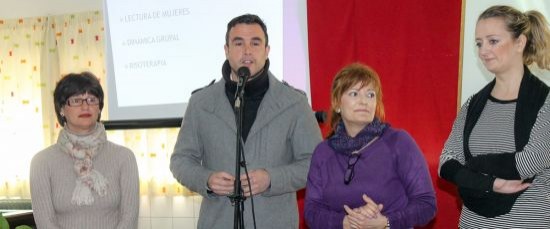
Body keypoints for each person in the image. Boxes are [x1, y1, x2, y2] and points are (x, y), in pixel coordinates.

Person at [169, 14, 322, 229]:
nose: (247, 50)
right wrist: (207, 179)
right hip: (218, 222)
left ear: (267, 50)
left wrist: (271, 178)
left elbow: (316, 164)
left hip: (275, 222)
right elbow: (181, 161)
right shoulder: (200, 102)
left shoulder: (294, 103)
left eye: (255, 43)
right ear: (226, 50)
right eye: (238, 43)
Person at [439, 5, 550, 228]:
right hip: (472, 222)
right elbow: (445, 164)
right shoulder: (472, 104)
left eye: (493, 41)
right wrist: (491, 183)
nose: (483, 51)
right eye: (479, 43)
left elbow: (530, 162)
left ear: (520, 42)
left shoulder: (546, 102)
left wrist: (469, 168)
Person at [305, 63, 437, 229]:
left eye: (370, 95)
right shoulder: (323, 152)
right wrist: (346, 222)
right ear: (337, 103)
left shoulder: (399, 142)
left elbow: (426, 204)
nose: (364, 101)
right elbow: (312, 211)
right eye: (354, 94)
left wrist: (386, 222)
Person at [30, 72, 139, 229]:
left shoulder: (124, 157)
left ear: (99, 108)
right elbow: (45, 222)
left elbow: (129, 218)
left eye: (92, 100)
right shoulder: (41, 162)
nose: (85, 106)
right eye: (76, 100)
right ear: (61, 109)